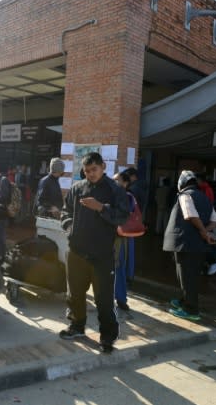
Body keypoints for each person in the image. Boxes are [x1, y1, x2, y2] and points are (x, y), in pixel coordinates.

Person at [59, 152, 129, 354]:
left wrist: (101, 208)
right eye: (86, 170)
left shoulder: (115, 190)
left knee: (104, 299)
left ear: (103, 167)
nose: (90, 174)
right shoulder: (77, 188)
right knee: (75, 294)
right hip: (77, 252)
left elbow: (122, 217)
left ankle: (107, 337)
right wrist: (70, 227)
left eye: (94, 170)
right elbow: (65, 212)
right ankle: (76, 326)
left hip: (102, 254)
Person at [164, 170, 216, 321]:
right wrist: (205, 232)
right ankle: (183, 301)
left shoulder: (185, 195)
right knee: (189, 276)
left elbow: (190, 214)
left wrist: (202, 231)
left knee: (187, 277)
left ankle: (191, 309)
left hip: (185, 243)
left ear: (181, 183)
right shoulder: (204, 198)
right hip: (198, 245)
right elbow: (215, 220)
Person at [112, 171, 135, 311]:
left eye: (117, 180)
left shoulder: (128, 197)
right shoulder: (114, 196)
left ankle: (121, 299)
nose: (114, 183)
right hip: (112, 237)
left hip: (120, 239)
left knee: (118, 267)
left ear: (125, 183)